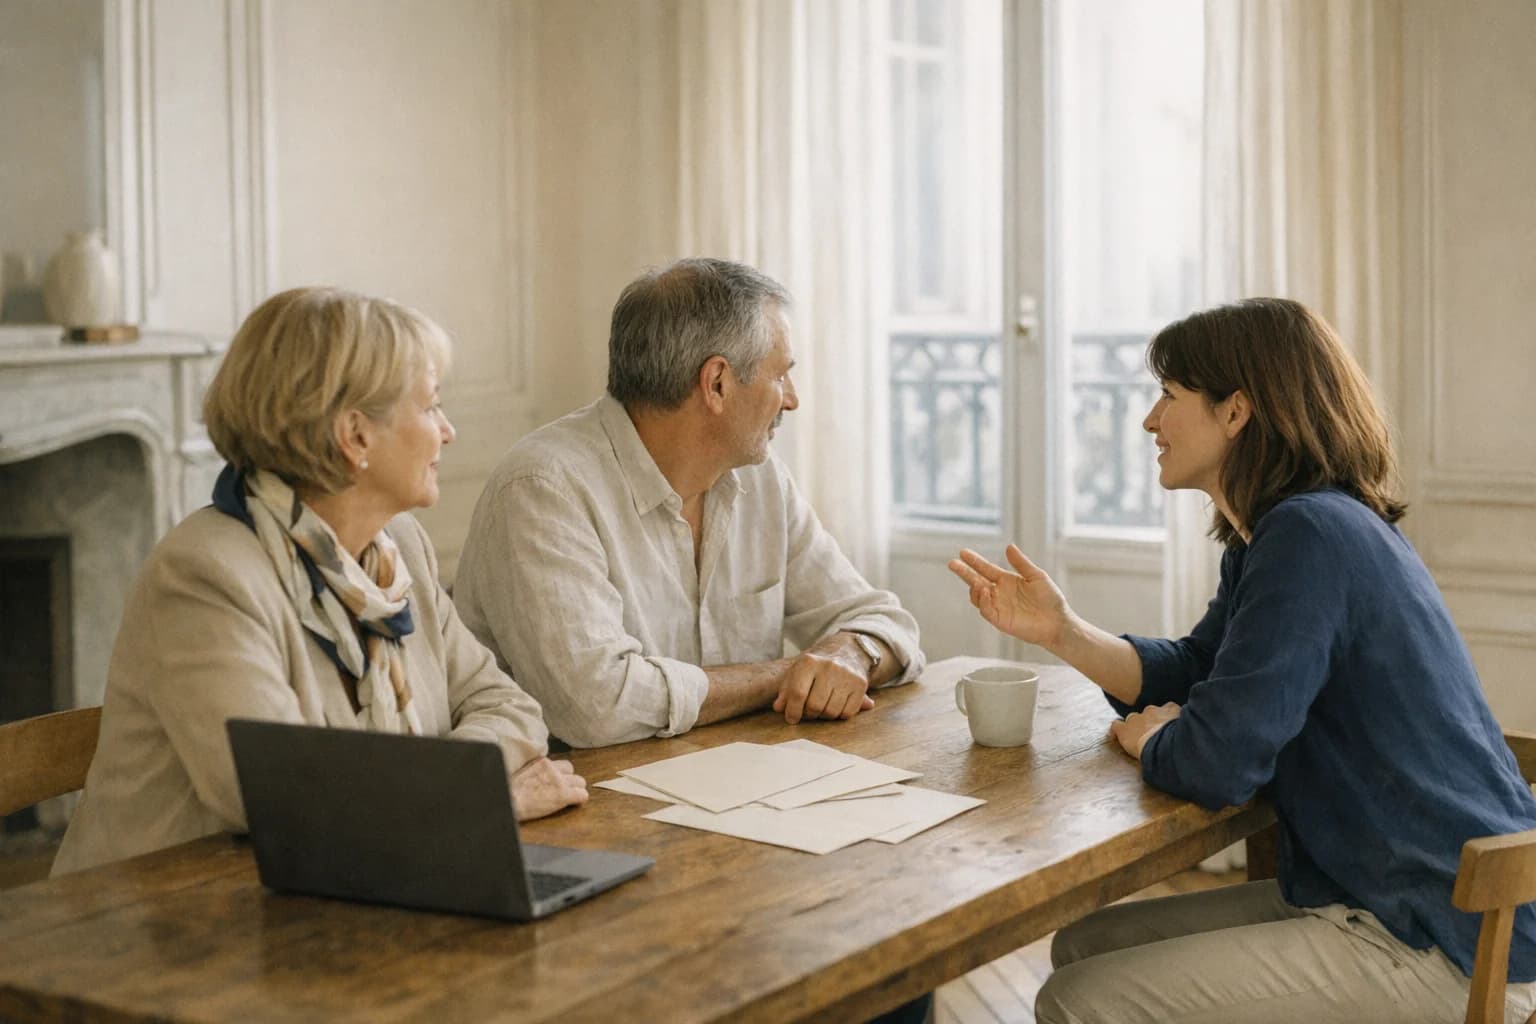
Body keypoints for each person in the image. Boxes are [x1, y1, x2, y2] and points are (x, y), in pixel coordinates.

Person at [948, 298, 1536, 1022]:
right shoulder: (1285, 534)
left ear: (1236, 412)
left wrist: (1160, 738)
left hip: (1440, 939)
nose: (1150, 421)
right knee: (1086, 946)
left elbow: (1219, 761)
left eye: (1169, 395)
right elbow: (1198, 670)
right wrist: (1064, 632)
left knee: (1080, 1000)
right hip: (1390, 896)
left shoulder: (1309, 536)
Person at [53, 287, 586, 876]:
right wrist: (487, 796)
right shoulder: (205, 575)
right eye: (431, 407)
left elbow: (507, 705)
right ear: (355, 435)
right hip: (164, 930)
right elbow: (280, 799)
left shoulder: (399, 547)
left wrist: (431, 792)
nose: (448, 431)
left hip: (361, 886)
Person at [453, 257, 925, 748]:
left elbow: (886, 622)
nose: (792, 400)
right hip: (572, 803)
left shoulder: (761, 480)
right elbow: (595, 707)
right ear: (716, 383)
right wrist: (789, 674)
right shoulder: (541, 489)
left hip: (736, 786)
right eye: (780, 376)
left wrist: (853, 654)